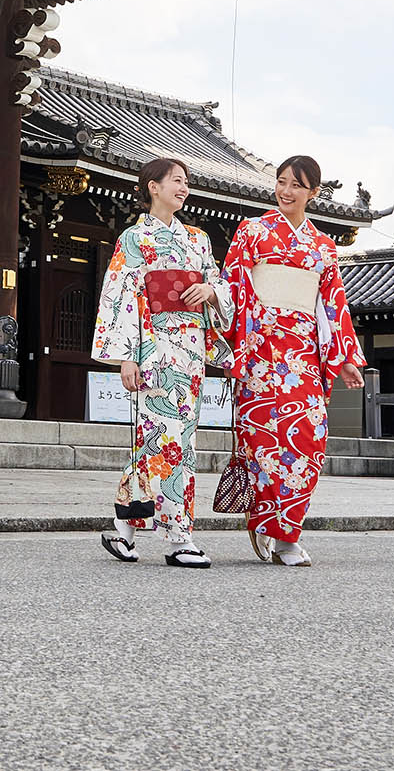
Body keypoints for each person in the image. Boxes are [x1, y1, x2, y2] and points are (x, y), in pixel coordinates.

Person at [221, 154, 365, 566]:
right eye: (281, 182)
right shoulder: (252, 231)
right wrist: (242, 335)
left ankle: (287, 531)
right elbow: (233, 288)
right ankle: (271, 529)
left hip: (303, 354)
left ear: (314, 194)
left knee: (308, 442)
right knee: (263, 445)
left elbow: (333, 303)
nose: (285, 191)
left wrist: (345, 358)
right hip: (261, 351)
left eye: (296, 185)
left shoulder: (324, 246)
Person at [92, 157, 233, 567]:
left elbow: (218, 283)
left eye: (186, 182)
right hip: (152, 349)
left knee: (162, 440)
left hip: (188, 351)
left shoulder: (198, 239)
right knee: (169, 443)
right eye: (176, 181)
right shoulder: (134, 239)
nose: (183, 187)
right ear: (153, 186)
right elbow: (120, 298)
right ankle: (179, 537)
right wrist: (125, 358)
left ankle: (123, 532)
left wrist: (209, 290)